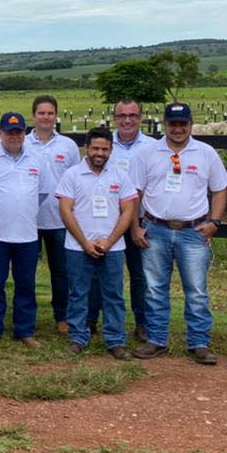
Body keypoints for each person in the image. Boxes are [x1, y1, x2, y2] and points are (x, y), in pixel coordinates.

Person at [128, 102, 227, 364]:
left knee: (196, 289)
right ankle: (156, 339)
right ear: (165, 125)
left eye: (182, 124)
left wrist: (215, 222)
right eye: (173, 124)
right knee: (154, 288)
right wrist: (136, 226)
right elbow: (134, 193)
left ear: (191, 124)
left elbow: (220, 189)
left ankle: (198, 342)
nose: (178, 129)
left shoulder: (205, 153)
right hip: (155, 228)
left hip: (192, 231)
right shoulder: (147, 153)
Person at [0, 112, 54, 347]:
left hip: (27, 235)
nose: (14, 136)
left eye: (18, 132)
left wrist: (21, 210)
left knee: (25, 284)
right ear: (0, 134)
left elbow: (43, 193)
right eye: (9, 132)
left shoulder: (37, 159)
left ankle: (25, 330)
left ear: (24, 133)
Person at [56, 127, 138, 359]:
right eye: (95, 148)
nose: (99, 153)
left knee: (113, 295)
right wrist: (85, 243)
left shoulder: (120, 176)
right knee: (78, 293)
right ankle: (78, 337)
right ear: (86, 148)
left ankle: (115, 340)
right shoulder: (72, 175)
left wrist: (110, 241)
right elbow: (66, 211)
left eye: (104, 148)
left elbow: (127, 211)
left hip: (113, 248)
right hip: (77, 247)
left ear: (111, 150)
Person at [88, 98, 157, 339]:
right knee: (98, 273)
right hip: (106, 222)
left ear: (141, 117)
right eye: (121, 116)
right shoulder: (103, 144)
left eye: (133, 115)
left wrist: (136, 226)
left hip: (139, 223)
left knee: (140, 274)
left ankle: (142, 322)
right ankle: (91, 320)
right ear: (114, 118)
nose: (127, 120)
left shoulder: (153, 146)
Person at [28, 95, 79, 334]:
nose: (45, 117)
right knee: (26, 272)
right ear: (33, 116)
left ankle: (62, 317)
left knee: (61, 272)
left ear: (56, 116)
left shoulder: (68, 146)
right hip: (29, 221)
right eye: (41, 113)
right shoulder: (23, 143)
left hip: (60, 220)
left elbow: (77, 182)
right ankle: (27, 318)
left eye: (50, 113)